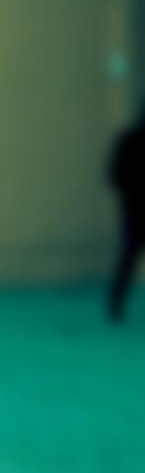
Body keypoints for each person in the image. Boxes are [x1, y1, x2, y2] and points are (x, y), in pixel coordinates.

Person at [108, 103, 145, 321]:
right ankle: (116, 302)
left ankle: (116, 303)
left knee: (128, 257)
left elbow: (115, 174)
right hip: (135, 208)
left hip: (133, 208)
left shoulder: (129, 141)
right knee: (128, 257)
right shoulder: (129, 141)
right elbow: (115, 174)